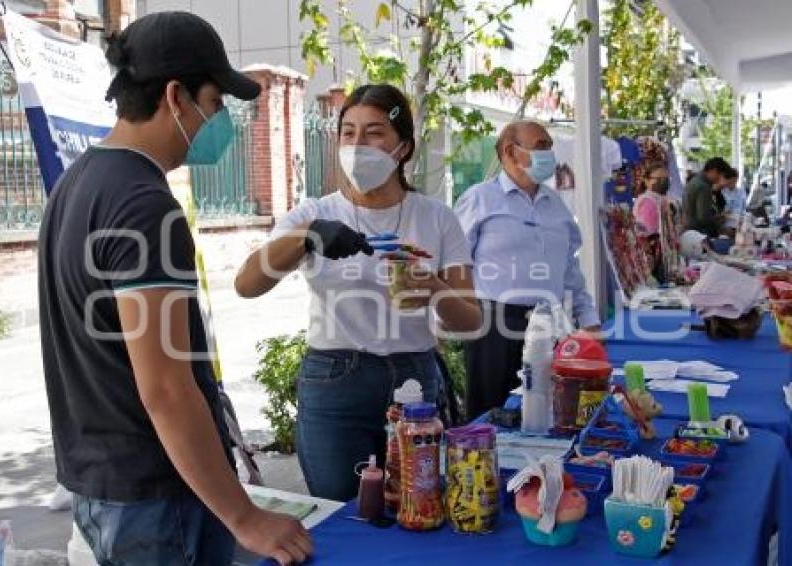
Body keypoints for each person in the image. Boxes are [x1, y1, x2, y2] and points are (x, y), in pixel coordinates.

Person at [38, 12, 311, 565]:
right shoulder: (142, 205)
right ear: (175, 96)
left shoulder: (78, 182)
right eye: (213, 104)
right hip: (155, 501)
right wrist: (245, 517)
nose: (217, 121)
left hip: (104, 484)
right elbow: (165, 387)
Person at [235, 84, 481, 502]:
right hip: (335, 381)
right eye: (348, 133)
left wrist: (437, 289)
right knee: (341, 510)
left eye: (374, 132)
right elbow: (247, 285)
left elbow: (470, 319)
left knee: (417, 504)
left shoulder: (436, 217)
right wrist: (307, 238)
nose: (357, 144)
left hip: (415, 381)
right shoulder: (314, 214)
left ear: (402, 147)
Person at [454, 121, 601, 421]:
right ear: (510, 151)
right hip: (493, 326)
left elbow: (570, 268)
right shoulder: (480, 199)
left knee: (549, 411)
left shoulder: (556, 205)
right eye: (541, 145)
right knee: (492, 416)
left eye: (549, 146)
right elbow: (454, 263)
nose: (550, 154)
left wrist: (589, 320)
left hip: (551, 323)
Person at [633, 162, 670, 281]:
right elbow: (644, 232)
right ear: (646, 181)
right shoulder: (648, 201)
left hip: (661, 253)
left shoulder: (659, 198)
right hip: (653, 255)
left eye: (666, 178)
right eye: (659, 178)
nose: (663, 181)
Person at [682, 157, 731, 237]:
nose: (719, 180)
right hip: (698, 233)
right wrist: (721, 226)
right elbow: (703, 218)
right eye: (719, 176)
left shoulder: (695, 181)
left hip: (691, 231)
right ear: (714, 171)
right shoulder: (703, 186)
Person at [719, 167, 746, 232]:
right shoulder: (721, 192)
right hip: (725, 227)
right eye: (732, 180)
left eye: (736, 180)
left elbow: (743, 209)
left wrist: (743, 219)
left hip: (739, 226)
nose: (734, 182)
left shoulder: (741, 192)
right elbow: (720, 212)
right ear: (728, 179)